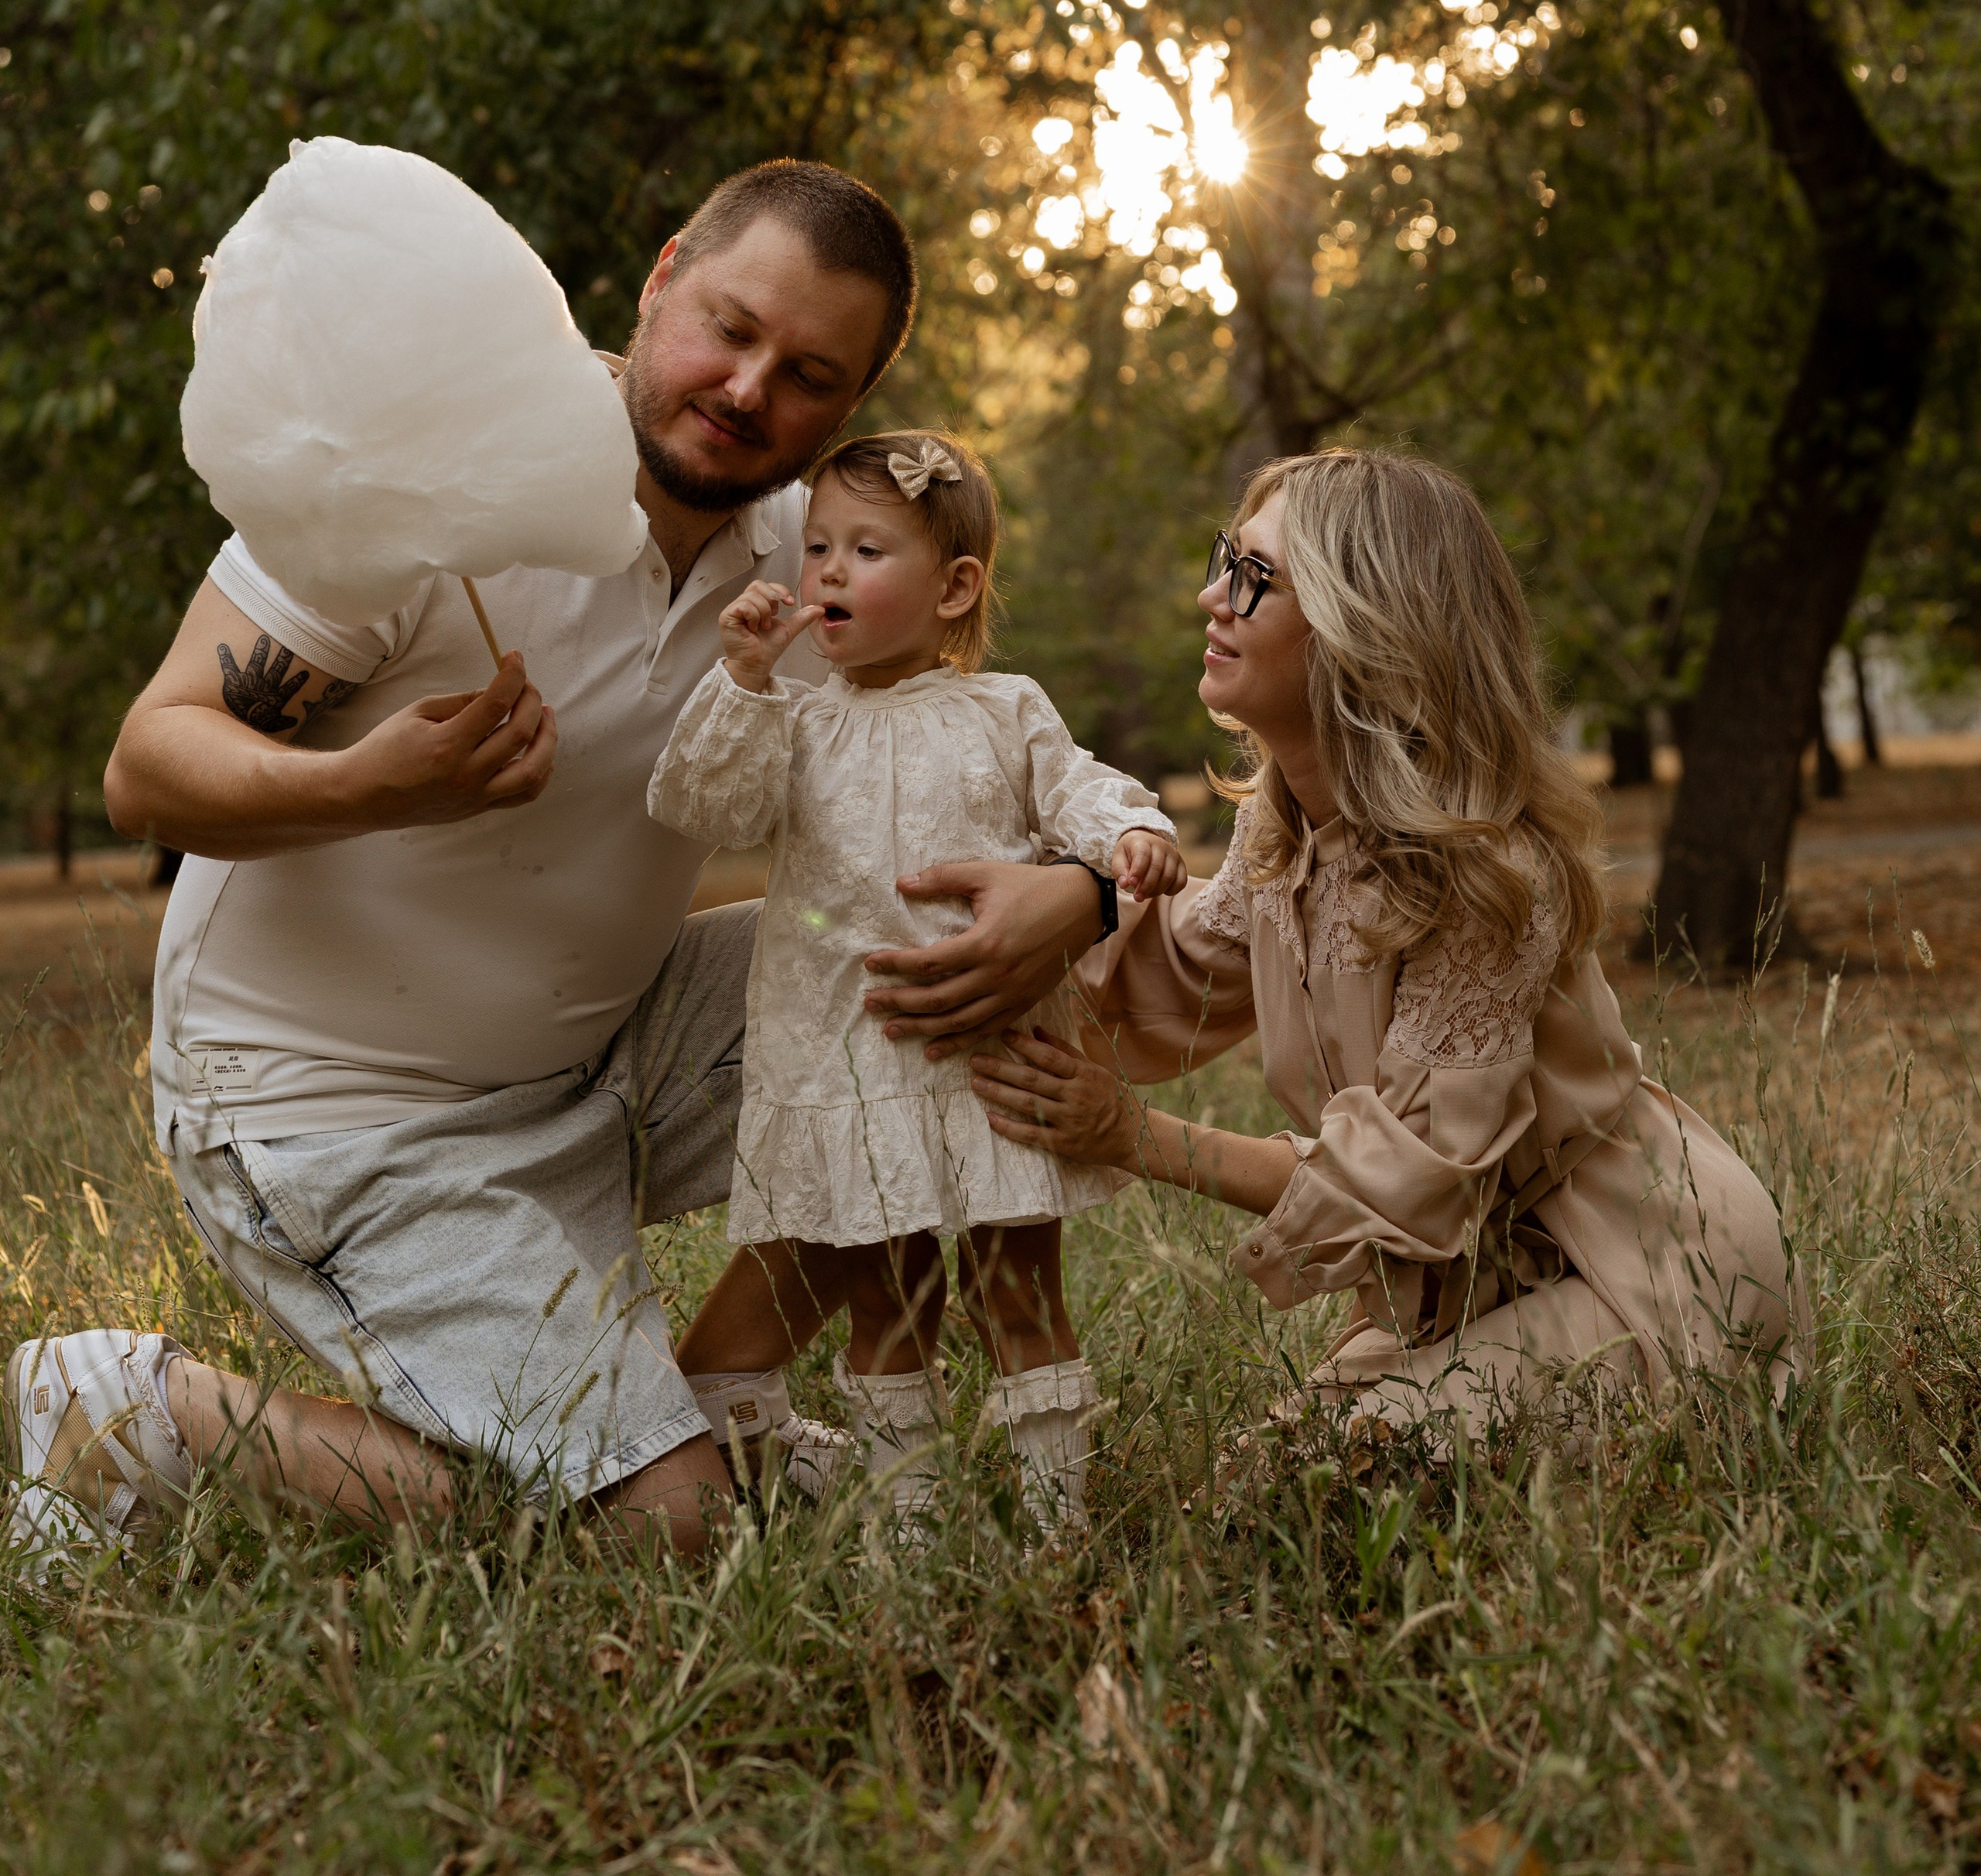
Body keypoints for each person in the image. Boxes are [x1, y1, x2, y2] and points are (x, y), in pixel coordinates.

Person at [7, 163, 1123, 1570]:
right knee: (670, 1533)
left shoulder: (803, 553)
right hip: (336, 1115)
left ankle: (722, 1389)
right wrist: (365, 784)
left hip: (614, 1052)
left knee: (973, 968)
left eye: (807, 374)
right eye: (728, 326)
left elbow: (955, 769)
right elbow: (148, 761)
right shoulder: (434, 463)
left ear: (845, 411)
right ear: (662, 277)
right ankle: (134, 1411)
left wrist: (1082, 891)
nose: (746, 387)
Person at [970, 450, 1808, 1436]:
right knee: (1295, 1461)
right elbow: (1167, 974)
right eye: (1221, 559)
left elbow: (1409, 1173)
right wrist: (1051, 901)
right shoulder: (1281, 832)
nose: (1211, 593)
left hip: (1656, 1262)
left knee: (1317, 1471)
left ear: (1361, 627)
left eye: (1253, 575)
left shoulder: (1490, 875)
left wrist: (1128, 1135)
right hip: (1470, 1286)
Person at [648, 431, 1185, 1531]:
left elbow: (1077, 791)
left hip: (994, 1062)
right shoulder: (793, 722)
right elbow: (707, 808)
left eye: (866, 549)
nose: (829, 572)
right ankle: (915, 1531)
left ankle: (1057, 1521)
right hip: (854, 1061)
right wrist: (743, 677)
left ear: (954, 587)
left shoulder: (1006, 711)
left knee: (1018, 1291)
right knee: (890, 1304)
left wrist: (1129, 837)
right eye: (817, 549)